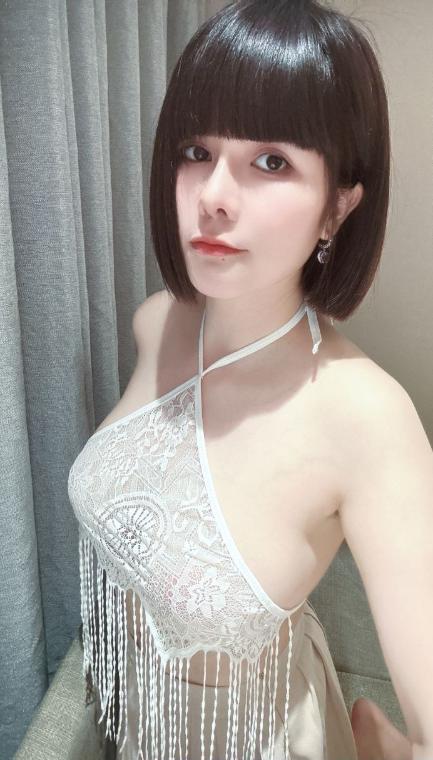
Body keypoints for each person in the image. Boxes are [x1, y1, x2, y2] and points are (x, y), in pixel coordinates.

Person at [68, 0, 433, 757]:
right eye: (196, 150)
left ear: (337, 207)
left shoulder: (367, 418)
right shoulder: (158, 322)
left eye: (272, 162)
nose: (212, 196)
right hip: (133, 724)